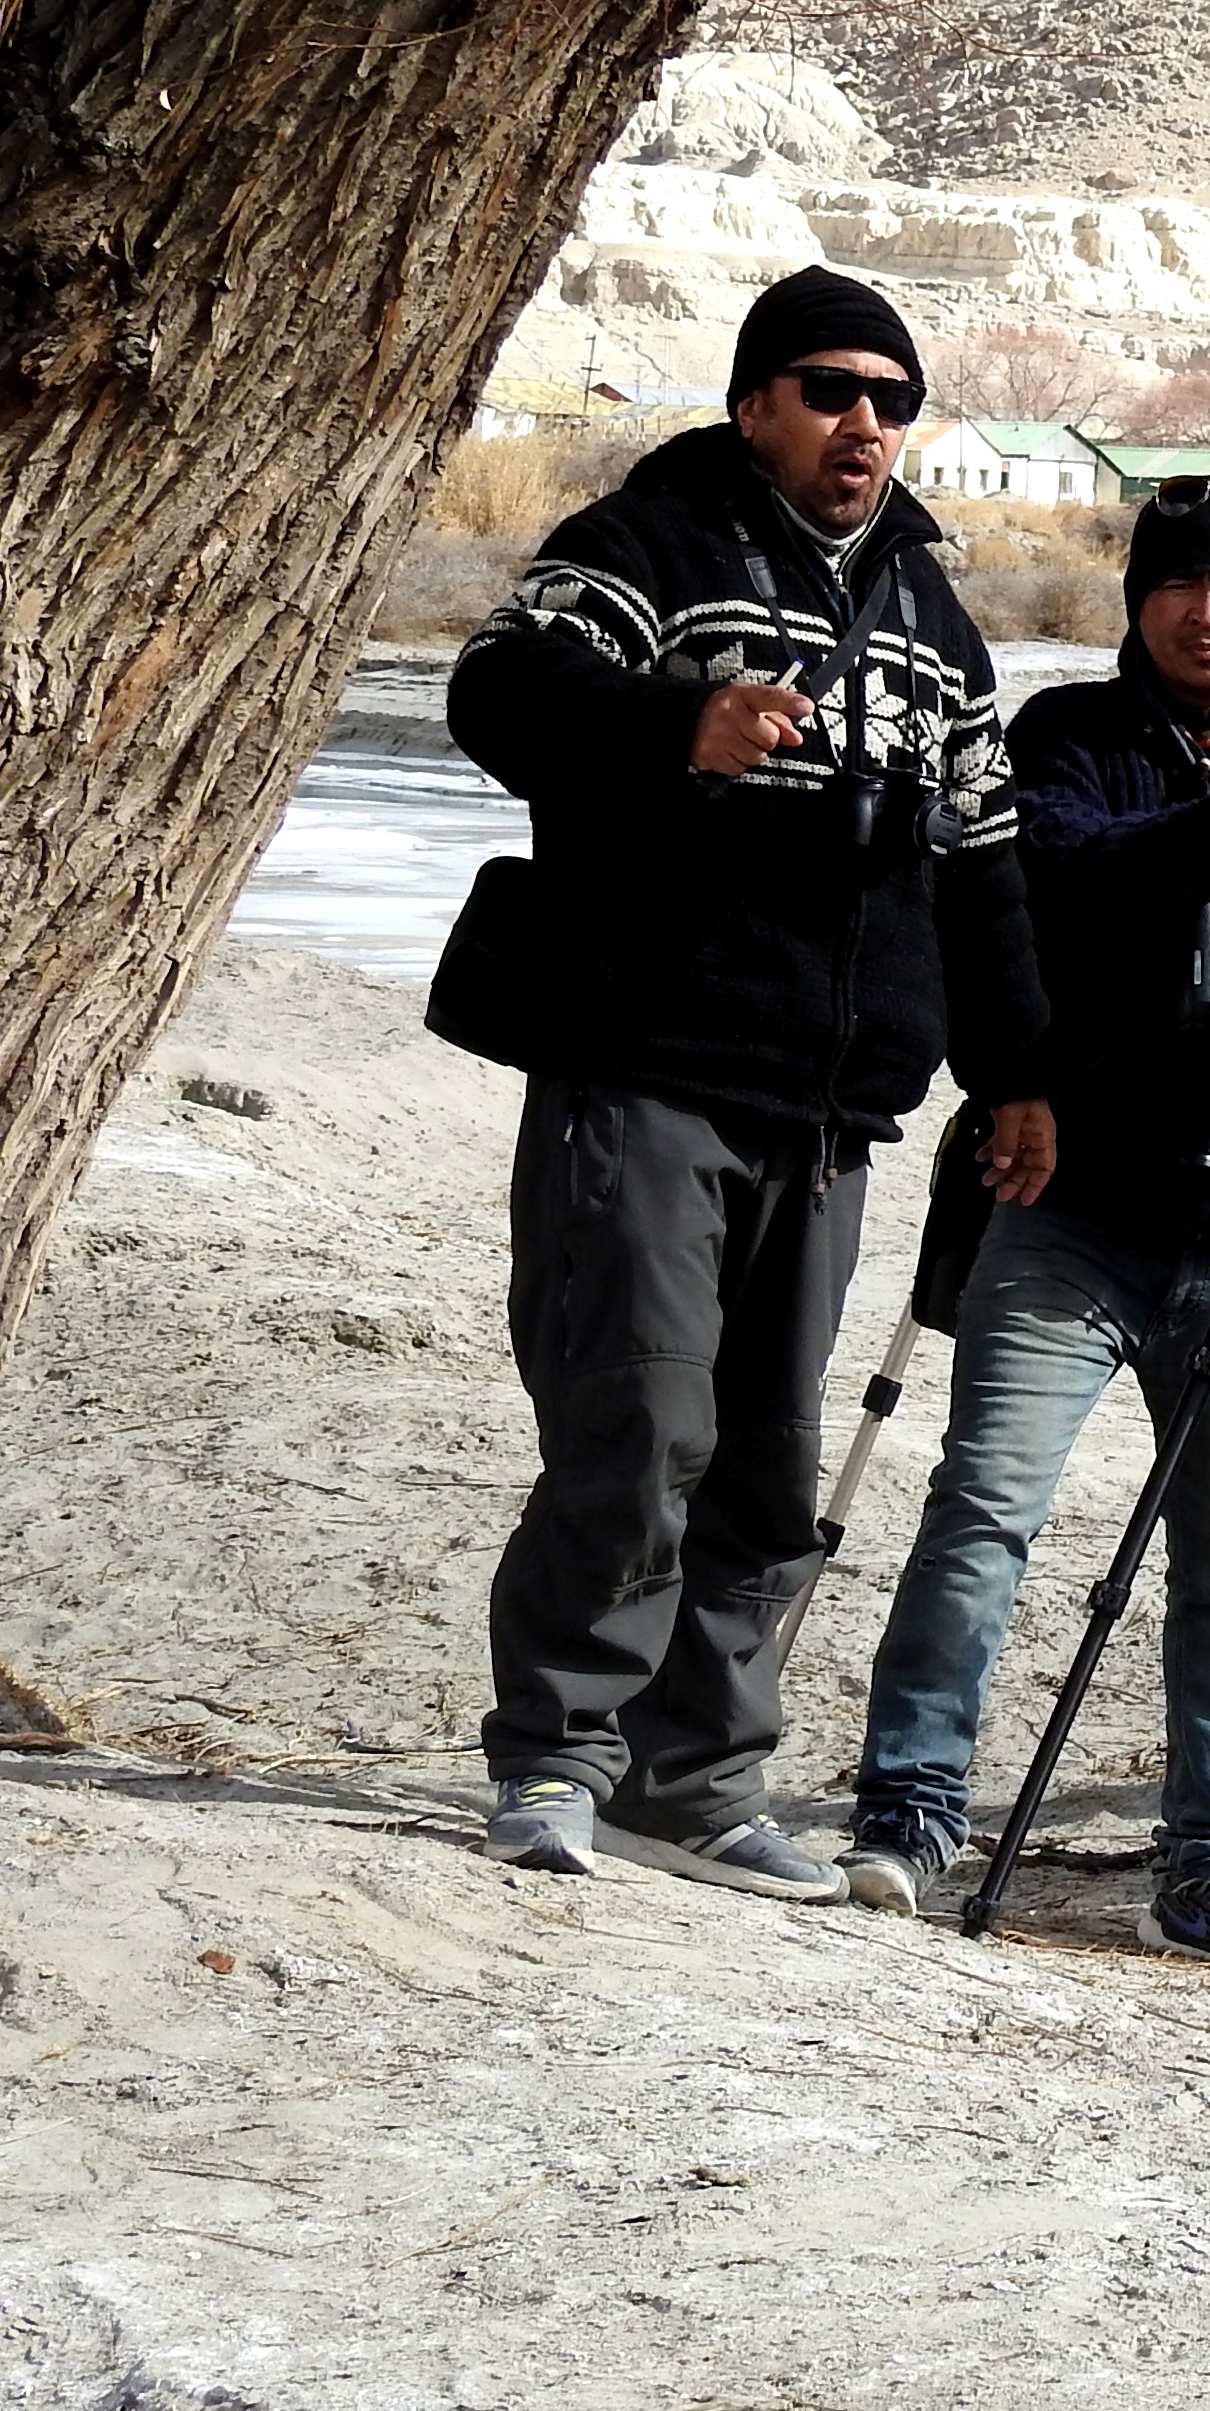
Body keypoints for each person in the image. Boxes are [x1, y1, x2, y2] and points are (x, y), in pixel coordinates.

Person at [445, 266, 1052, 1900]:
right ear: (753, 405)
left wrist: (1016, 1078)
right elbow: (493, 689)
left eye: (893, 399)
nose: (868, 424)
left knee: (773, 1460)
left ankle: (700, 1781)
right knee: (638, 1420)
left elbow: (986, 869)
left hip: (833, 1104)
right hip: (646, 1063)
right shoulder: (645, 547)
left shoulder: (933, 621)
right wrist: (674, 725)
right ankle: (557, 1756)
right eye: (832, 389)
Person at [834, 478, 1210, 1966]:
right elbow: (1057, 881)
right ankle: (910, 1804)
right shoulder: (1064, 741)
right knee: (984, 1508)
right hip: (1079, 1204)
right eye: (1182, 584)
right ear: (1139, 599)